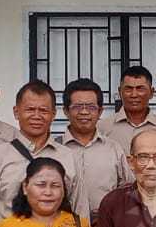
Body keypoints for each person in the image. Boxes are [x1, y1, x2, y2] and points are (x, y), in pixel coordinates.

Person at [0, 81, 79, 227]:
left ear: (53, 114)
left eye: (43, 110)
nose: (36, 116)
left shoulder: (69, 157)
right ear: (16, 112)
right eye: (30, 109)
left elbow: (80, 211)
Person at [56, 79, 131, 219]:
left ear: (100, 111)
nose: (84, 112)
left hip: (106, 226)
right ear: (66, 111)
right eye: (77, 106)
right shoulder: (55, 150)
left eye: (91, 107)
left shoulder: (113, 149)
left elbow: (128, 190)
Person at [101, 64, 156, 154]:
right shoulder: (103, 128)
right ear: (120, 92)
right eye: (128, 89)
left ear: (151, 92)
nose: (134, 95)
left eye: (140, 89)